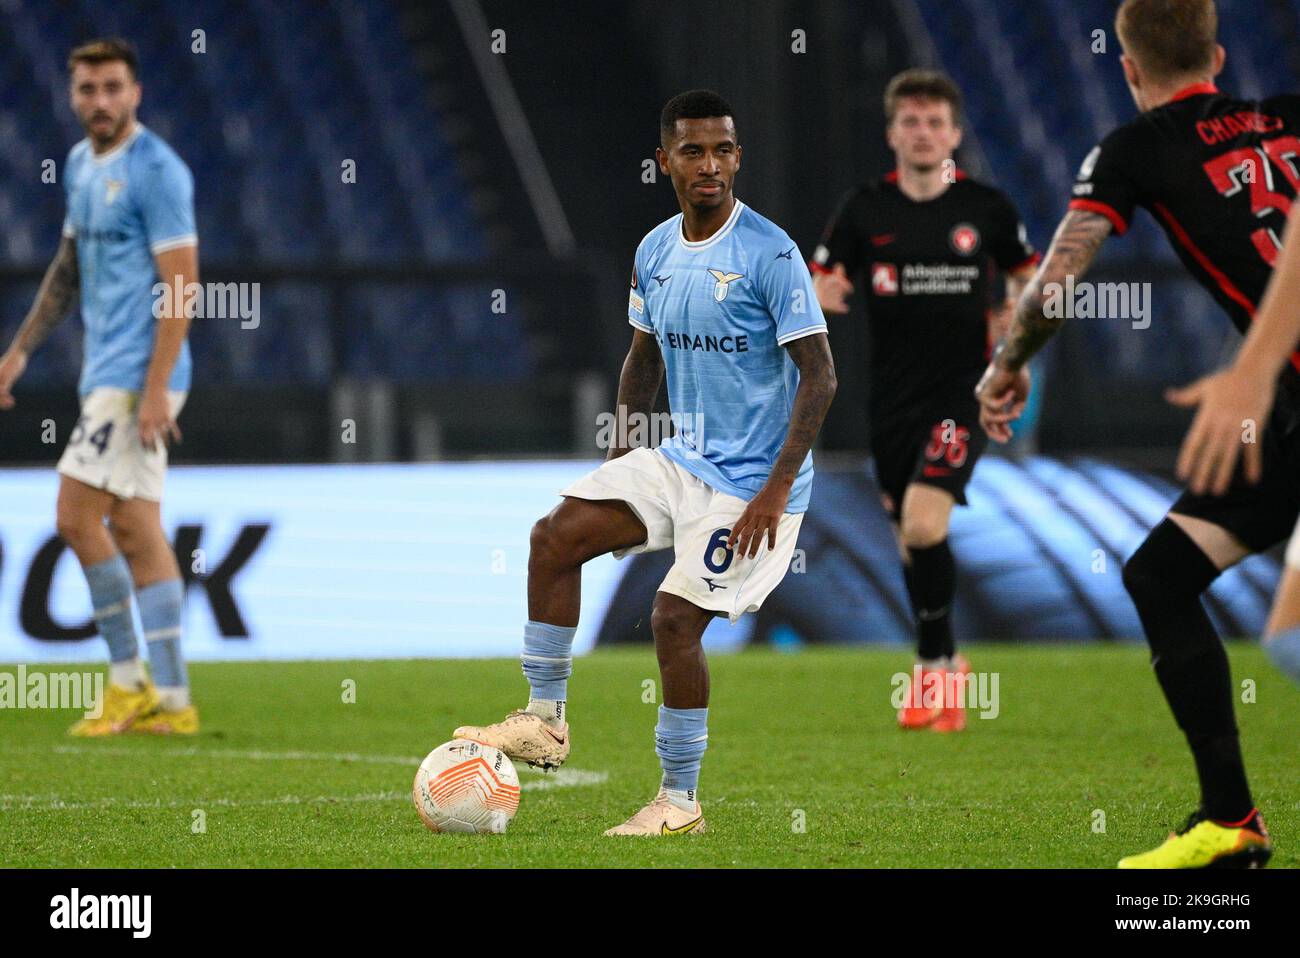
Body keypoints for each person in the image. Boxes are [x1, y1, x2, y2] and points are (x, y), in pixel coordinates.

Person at [453, 90, 837, 836]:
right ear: (664, 161)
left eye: (724, 150)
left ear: (737, 158)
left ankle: (680, 802)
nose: (710, 165)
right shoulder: (656, 250)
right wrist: (623, 455)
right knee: (554, 534)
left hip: (757, 486)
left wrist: (774, 489)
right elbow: (641, 360)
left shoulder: (772, 253)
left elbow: (820, 376)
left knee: (671, 620)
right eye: (693, 151)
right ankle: (544, 720)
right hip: (681, 460)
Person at [975, 0, 1285, 867]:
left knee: (1167, 581)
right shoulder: (1289, 116)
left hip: (1280, 397)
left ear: (1130, 68)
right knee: (1162, 572)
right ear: (1219, 55)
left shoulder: (1135, 149)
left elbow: (1064, 273)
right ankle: (1229, 823)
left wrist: (1008, 363)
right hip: (1283, 412)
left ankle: (1231, 817)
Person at [812, 69, 1038, 732]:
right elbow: (819, 277)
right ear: (892, 134)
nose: (923, 133)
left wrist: (1011, 324)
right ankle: (944, 662)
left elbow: (1030, 278)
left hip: (962, 395)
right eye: (911, 122)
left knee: (923, 525)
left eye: (935, 122)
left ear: (955, 134)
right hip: (889, 401)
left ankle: (934, 668)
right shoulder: (863, 209)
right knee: (910, 540)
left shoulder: (988, 209)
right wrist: (820, 291)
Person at [0, 38, 199, 736]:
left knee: (75, 517)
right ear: (73, 95)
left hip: (136, 378)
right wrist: (19, 352)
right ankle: (173, 704)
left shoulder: (158, 171)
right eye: (88, 89)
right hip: (105, 375)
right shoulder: (82, 166)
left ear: (135, 92)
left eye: (113, 87)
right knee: (138, 527)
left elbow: (184, 286)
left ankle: (125, 683)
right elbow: (67, 269)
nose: (101, 101)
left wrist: (152, 390)